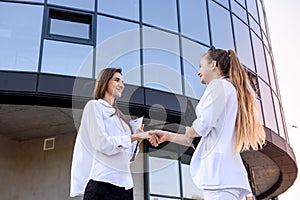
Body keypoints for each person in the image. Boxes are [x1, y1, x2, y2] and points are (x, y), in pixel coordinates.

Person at [149, 47, 265, 200]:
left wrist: (191, 128)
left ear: (213, 65)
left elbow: (202, 125)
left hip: (219, 176)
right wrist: (168, 136)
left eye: (201, 66)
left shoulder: (219, 86)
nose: (198, 72)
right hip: (225, 177)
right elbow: (197, 136)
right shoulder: (228, 89)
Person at [70, 68, 150, 200]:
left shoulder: (121, 119)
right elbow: (102, 144)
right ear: (105, 82)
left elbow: (128, 156)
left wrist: (137, 140)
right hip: (102, 185)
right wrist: (133, 137)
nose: (122, 85)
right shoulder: (94, 107)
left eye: (123, 82)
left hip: (126, 188)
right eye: (117, 80)